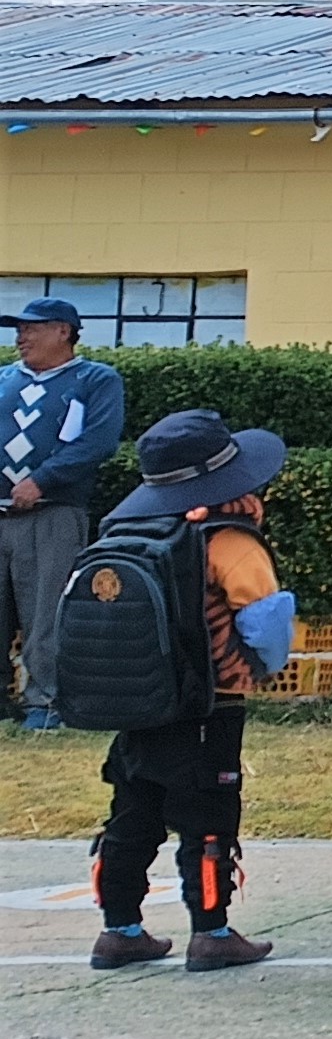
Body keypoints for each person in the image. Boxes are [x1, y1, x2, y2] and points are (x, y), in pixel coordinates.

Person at [82, 410, 294, 971]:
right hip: (207, 704)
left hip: (136, 701)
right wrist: (252, 667)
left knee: (132, 812)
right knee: (208, 814)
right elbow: (267, 631)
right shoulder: (228, 539)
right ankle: (211, 931)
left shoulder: (123, 534)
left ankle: (119, 928)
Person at [5, 296, 128, 731]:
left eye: (32, 328)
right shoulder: (3, 379)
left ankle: (47, 701)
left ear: (63, 332)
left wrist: (43, 480)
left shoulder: (95, 380)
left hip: (53, 511)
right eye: (19, 329)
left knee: (46, 611)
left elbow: (99, 441)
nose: (22, 338)